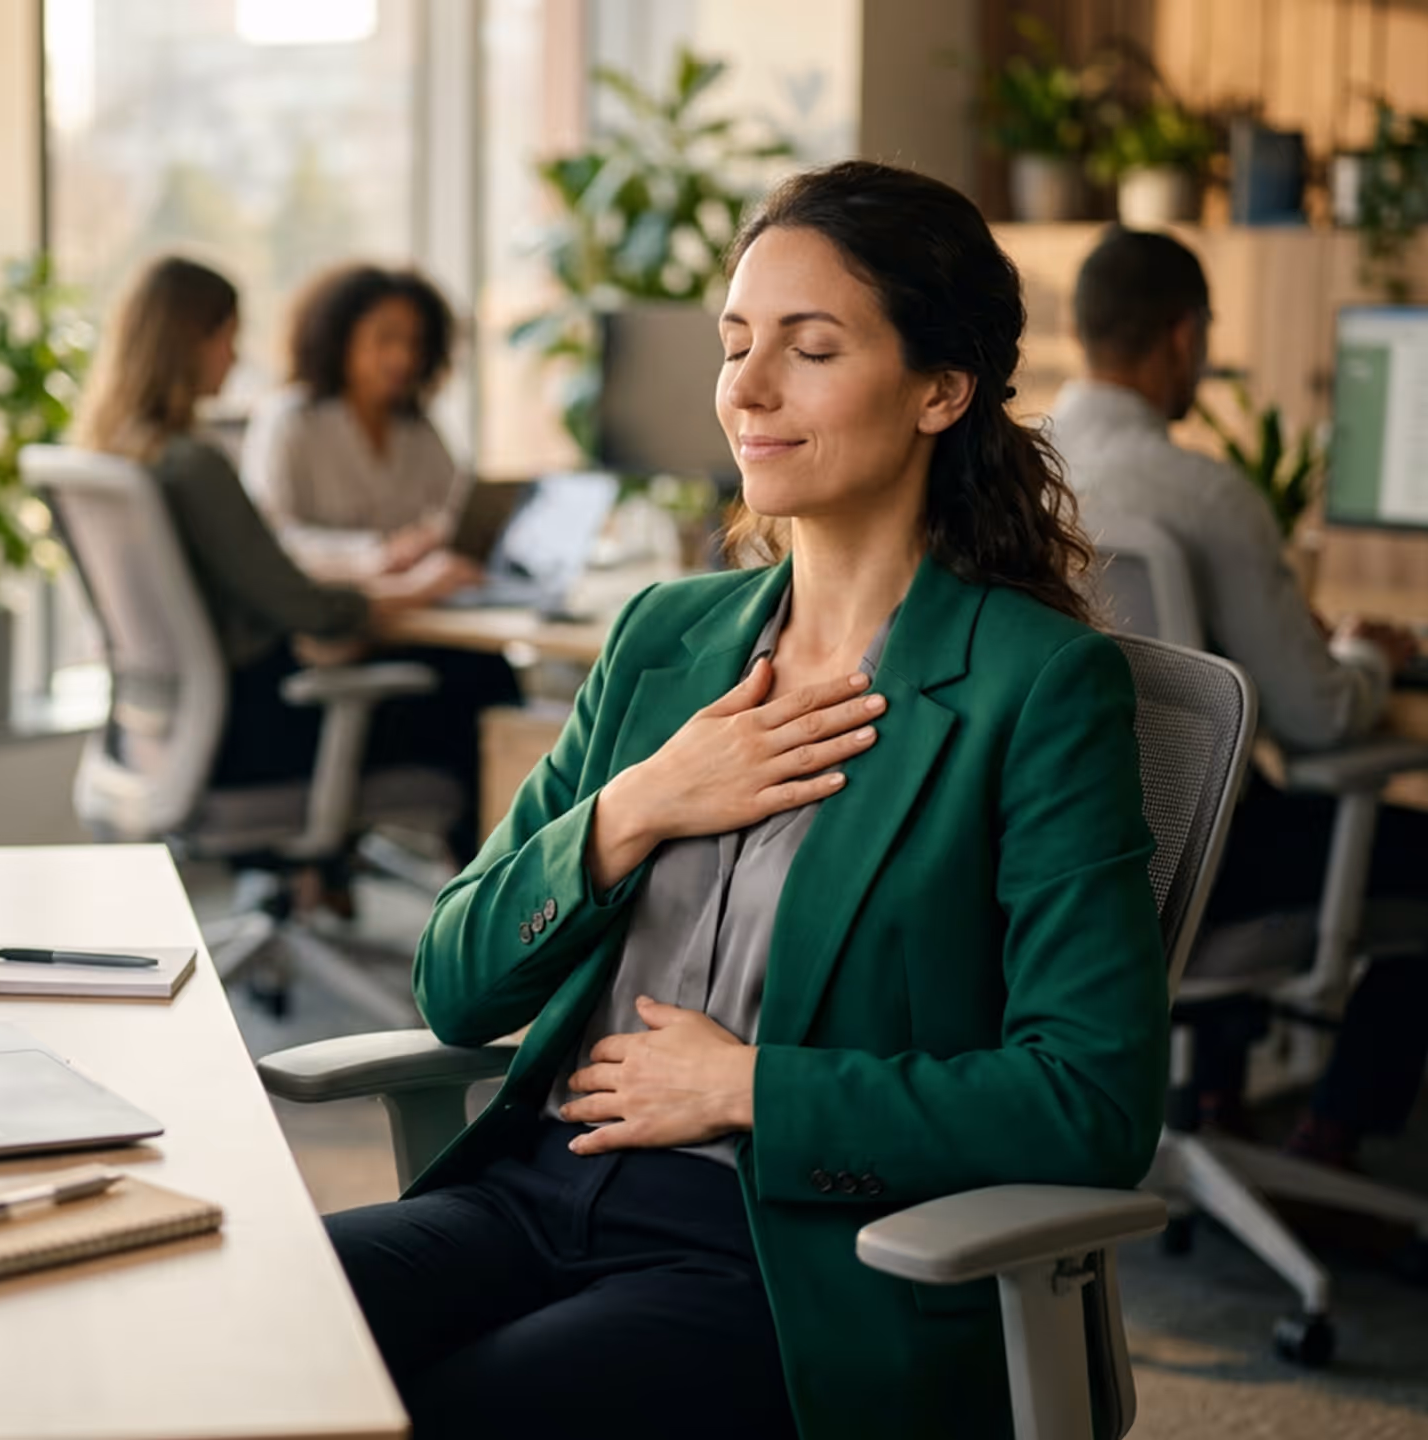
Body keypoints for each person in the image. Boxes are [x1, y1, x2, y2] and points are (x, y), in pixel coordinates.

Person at [325, 161, 1170, 1440]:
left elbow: (1089, 1102)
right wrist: (641, 805)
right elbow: (455, 979)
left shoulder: (1037, 687)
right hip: (537, 1190)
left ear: (942, 389)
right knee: (239, 1341)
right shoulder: (662, 638)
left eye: (810, 349)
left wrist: (749, 1089)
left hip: (782, 1257)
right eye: (735, 346)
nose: (748, 390)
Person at [1051, 226, 1428, 1168]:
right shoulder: (1207, 497)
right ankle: (1334, 1135)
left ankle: (1215, 1097)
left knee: (1214, 776)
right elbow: (1317, 719)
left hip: (1057, 865)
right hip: (1202, 877)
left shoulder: (1020, 475)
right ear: (1183, 338)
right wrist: (1362, 659)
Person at [69, 255, 514, 858]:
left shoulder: (119, 457)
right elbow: (305, 607)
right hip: (252, 734)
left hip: (162, 733)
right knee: (482, 683)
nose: (234, 357)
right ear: (188, 343)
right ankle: (498, 925)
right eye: (226, 337)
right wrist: (410, 588)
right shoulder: (193, 466)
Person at [241, 263, 466, 581]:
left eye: (415, 343)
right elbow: (270, 538)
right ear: (340, 337)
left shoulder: (418, 428)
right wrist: (377, 554)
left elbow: (456, 510)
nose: (402, 357)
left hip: (415, 605)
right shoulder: (290, 420)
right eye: (385, 338)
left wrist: (433, 539)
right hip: (331, 612)